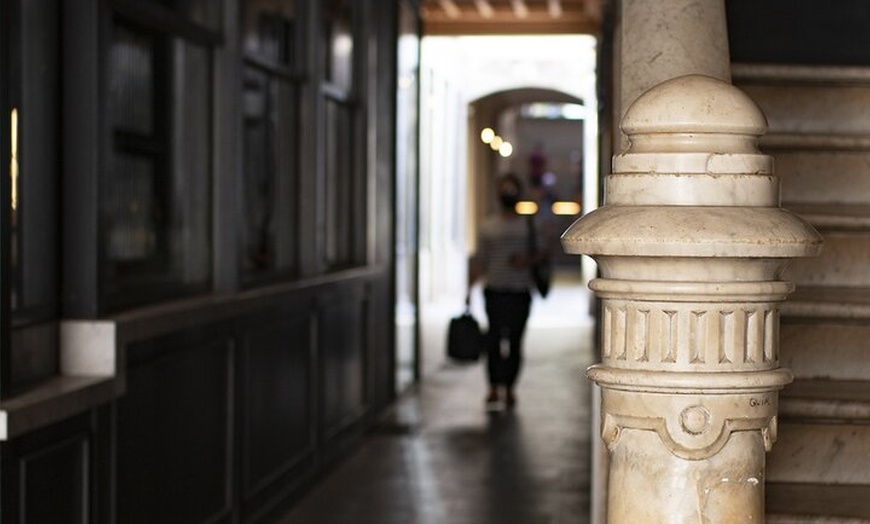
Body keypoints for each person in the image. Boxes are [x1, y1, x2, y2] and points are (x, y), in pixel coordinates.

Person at [468, 173, 548, 410]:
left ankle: (510, 387)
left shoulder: (529, 226)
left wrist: (527, 260)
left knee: (514, 341)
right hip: (494, 290)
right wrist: (469, 288)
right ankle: (493, 387)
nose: (508, 194)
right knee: (493, 340)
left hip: (520, 292)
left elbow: (544, 253)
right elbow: (480, 260)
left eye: (512, 190)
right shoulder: (488, 226)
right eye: (505, 190)